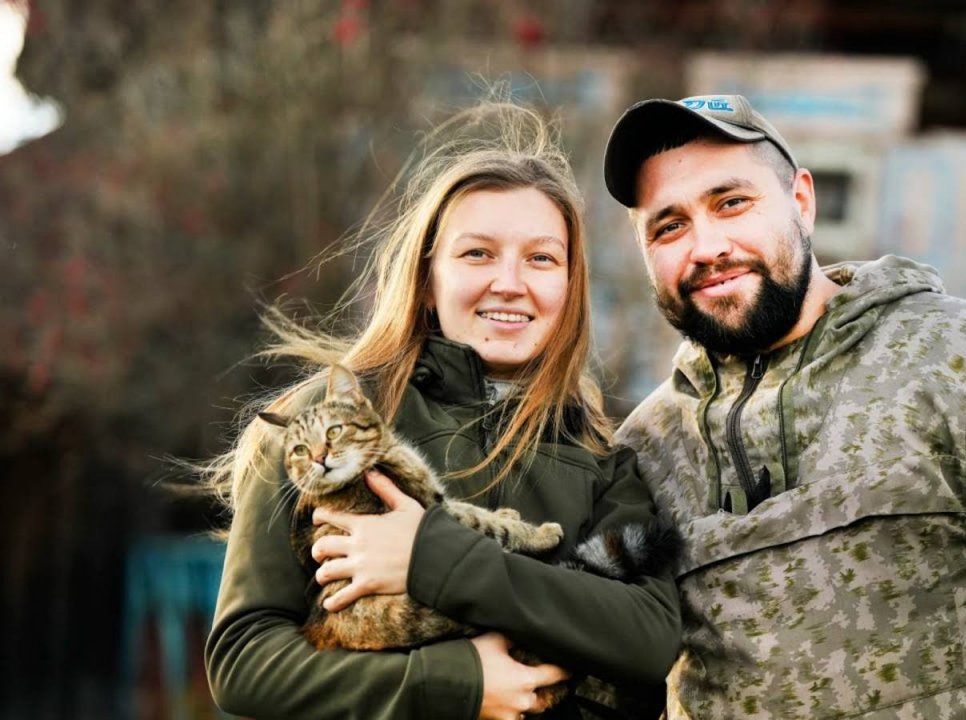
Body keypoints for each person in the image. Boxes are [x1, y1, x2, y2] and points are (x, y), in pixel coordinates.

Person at [601, 94, 966, 718]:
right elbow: (602, 678)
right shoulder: (641, 451)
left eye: (731, 203)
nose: (707, 246)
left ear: (802, 200)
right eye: (669, 226)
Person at [203, 101, 681, 720]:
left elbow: (648, 640)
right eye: (477, 253)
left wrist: (435, 558)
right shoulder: (324, 422)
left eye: (541, 258)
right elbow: (243, 661)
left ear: (569, 288)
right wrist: (455, 682)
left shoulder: (602, 458)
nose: (509, 282)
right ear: (428, 280)